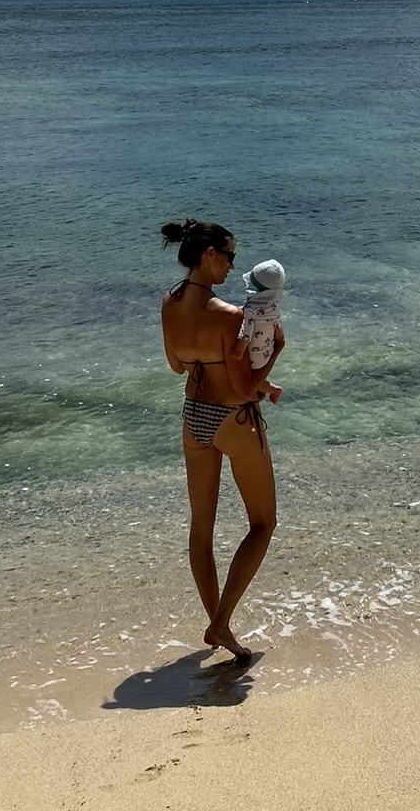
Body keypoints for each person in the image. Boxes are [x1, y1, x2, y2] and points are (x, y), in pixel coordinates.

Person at [160, 217, 284, 660]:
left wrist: (219, 367)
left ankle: (220, 629)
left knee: (202, 529)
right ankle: (220, 624)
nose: (233, 266)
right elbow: (237, 388)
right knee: (263, 524)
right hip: (231, 419)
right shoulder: (230, 316)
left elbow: (177, 365)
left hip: (193, 414)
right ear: (209, 255)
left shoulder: (169, 303)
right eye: (230, 256)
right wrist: (275, 355)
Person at [231, 258, 285, 404]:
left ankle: (274, 390)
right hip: (267, 350)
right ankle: (263, 393)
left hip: (254, 354)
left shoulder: (251, 308)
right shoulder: (274, 307)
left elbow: (247, 331)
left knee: (249, 380)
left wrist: (239, 349)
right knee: (257, 378)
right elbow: (276, 327)